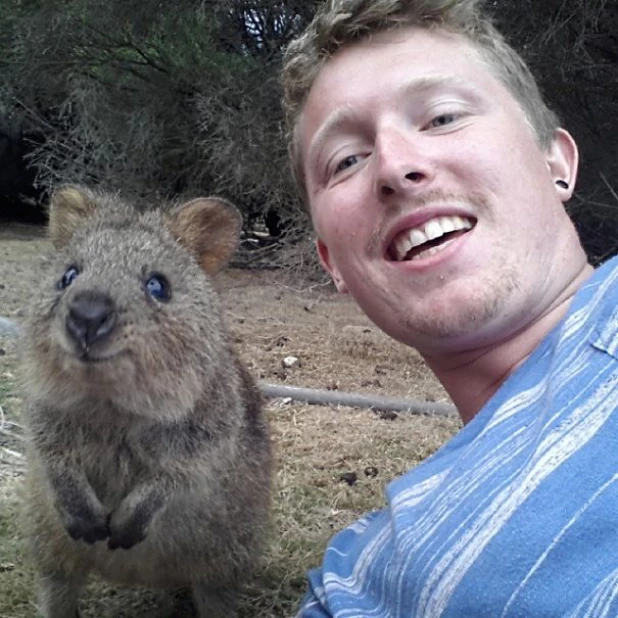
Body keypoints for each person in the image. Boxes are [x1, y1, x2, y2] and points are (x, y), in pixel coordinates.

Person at [280, 0, 618, 616]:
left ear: (556, 162)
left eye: (440, 117)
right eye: (346, 160)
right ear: (333, 264)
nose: (396, 166)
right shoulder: (357, 578)